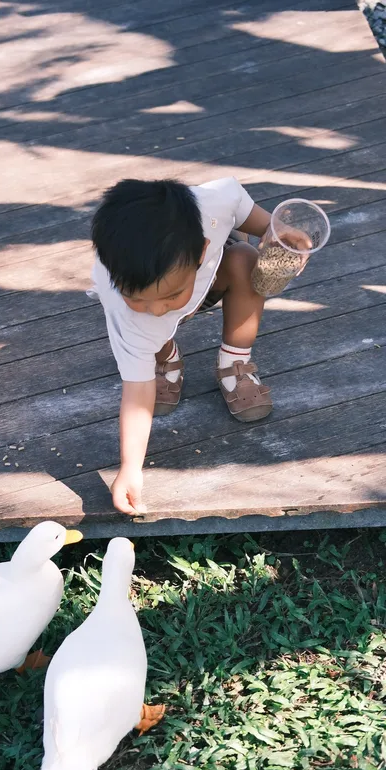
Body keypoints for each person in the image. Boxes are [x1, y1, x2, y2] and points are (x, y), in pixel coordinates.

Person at [90, 176, 306, 516]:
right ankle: (165, 357)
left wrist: (276, 230)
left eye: (168, 296)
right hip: (157, 317)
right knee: (150, 330)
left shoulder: (213, 206)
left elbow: (238, 201)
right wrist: (130, 468)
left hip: (207, 281)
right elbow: (136, 394)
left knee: (245, 258)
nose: (159, 307)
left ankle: (234, 362)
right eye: (138, 298)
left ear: (202, 248)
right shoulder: (124, 309)